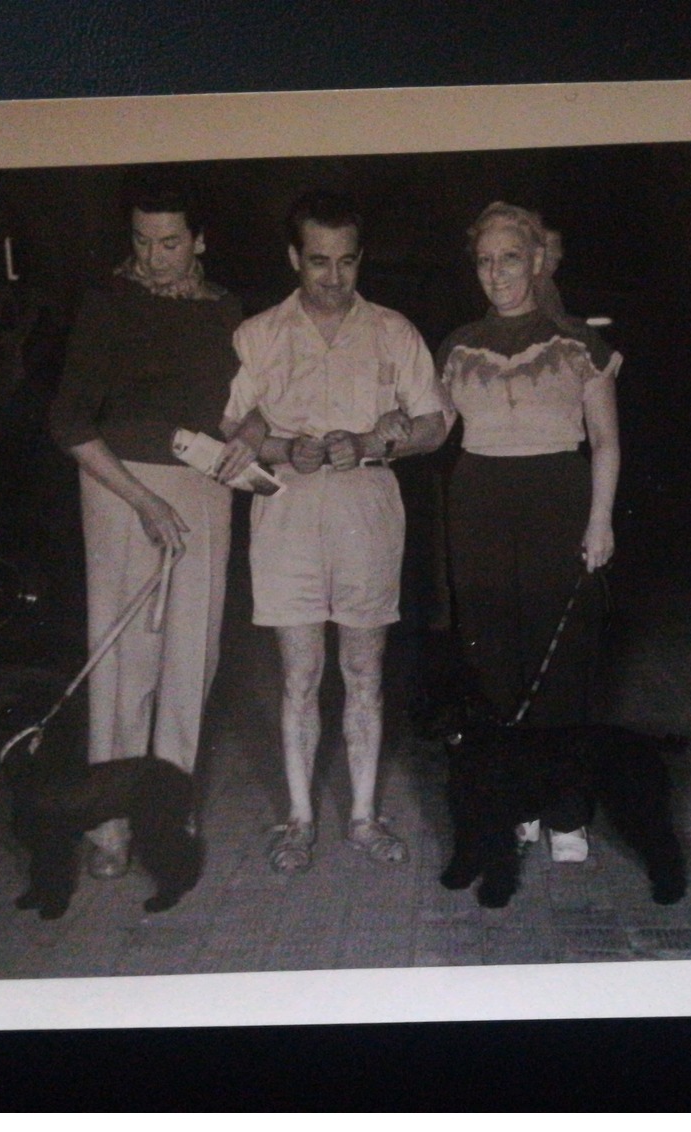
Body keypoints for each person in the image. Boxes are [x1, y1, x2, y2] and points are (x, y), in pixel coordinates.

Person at [217, 190, 450, 873]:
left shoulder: (393, 330)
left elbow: (433, 423)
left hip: (367, 520)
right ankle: (297, 818)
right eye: (318, 262)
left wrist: (379, 445)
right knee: (298, 675)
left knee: (364, 672)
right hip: (286, 522)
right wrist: (282, 448)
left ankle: (362, 816)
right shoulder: (257, 334)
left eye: (347, 262)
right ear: (294, 257)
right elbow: (235, 427)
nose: (334, 278)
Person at [48, 187, 252, 879]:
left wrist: (247, 441)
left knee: (189, 654)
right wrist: (140, 499)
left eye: (168, 243)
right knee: (122, 657)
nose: (153, 258)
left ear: (199, 240)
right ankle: (107, 821)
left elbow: (236, 410)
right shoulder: (107, 303)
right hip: (117, 486)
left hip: (202, 487)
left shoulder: (225, 309)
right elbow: (69, 423)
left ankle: (169, 806)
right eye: (141, 241)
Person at [437, 202, 621, 864]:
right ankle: (516, 805)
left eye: (509, 258)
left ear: (538, 261)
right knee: (493, 661)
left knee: (563, 659)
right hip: (479, 500)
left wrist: (600, 521)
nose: (496, 273)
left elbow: (604, 439)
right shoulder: (457, 345)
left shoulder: (577, 345)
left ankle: (566, 811)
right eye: (484, 261)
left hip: (558, 498)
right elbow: (434, 427)